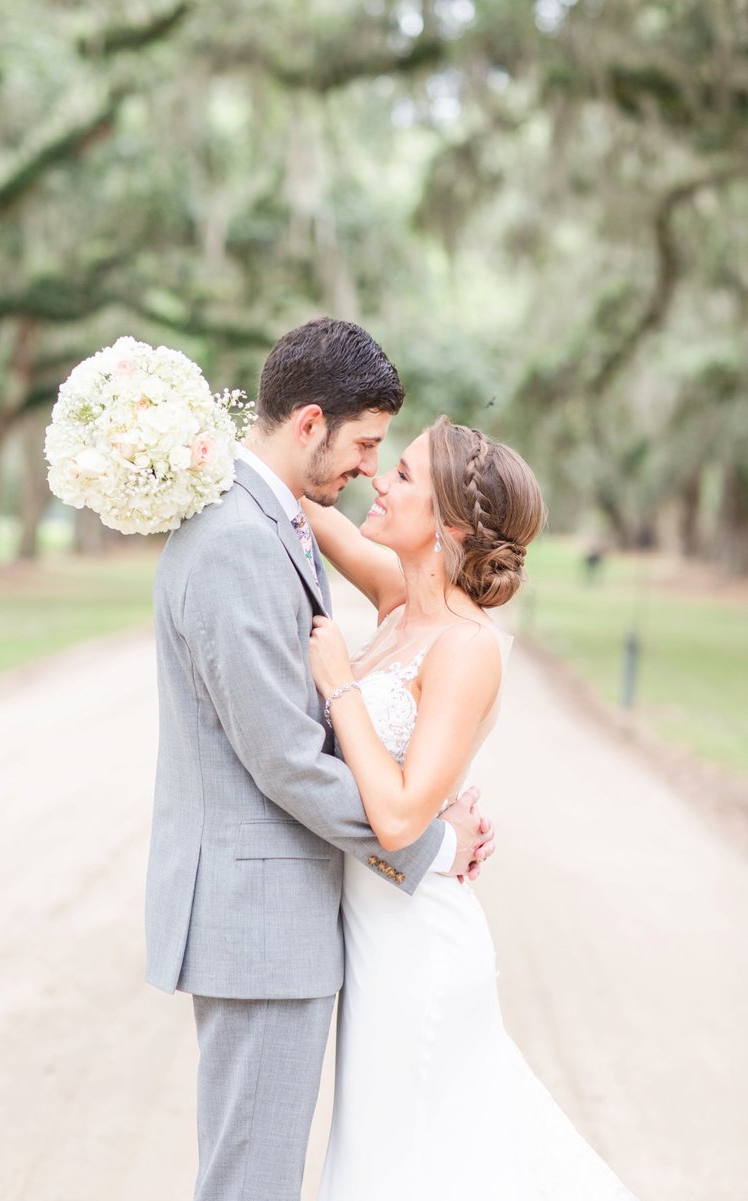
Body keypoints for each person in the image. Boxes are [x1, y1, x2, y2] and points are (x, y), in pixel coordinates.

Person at [144, 319, 495, 1201]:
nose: (371, 469)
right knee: (252, 1182)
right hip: (262, 925)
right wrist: (435, 844)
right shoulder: (236, 538)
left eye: (392, 461)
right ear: (309, 424)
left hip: (301, 923)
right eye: (368, 446)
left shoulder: (269, 514)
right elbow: (288, 761)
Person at [306, 416, 638, 1200]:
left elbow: (399, 820)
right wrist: (199, 444)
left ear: (449, 526)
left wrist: (340, 685)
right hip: (373, 942)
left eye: (404, 474)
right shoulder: (400, 602)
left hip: (418, 951)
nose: (379, 476)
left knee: (412, 1169)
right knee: (388, 1161)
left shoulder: (466, 647)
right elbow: (305, 507)